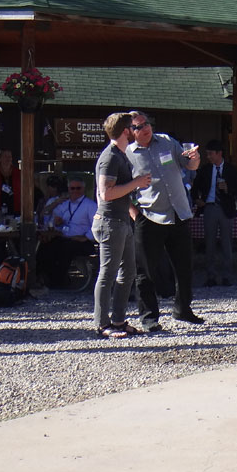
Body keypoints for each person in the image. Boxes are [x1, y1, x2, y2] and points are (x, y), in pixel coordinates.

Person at [125, 110, 203, 330]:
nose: (145, 128)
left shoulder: (167, 141)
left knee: (184, 267)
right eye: (139, 127)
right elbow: (121, 190)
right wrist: (135, 214)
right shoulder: (127, 154)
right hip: (149, 216)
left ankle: (183, 309)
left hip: (178, 213)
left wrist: (195, 159)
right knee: (146, 271)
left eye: (146, 123)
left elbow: (189, 166)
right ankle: (149, 317)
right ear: (130, 132)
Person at [94, 112, 151, 339]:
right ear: (126, 131)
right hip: (110, 222)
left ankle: (118, 320)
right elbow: (106, 193)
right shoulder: (110, 157)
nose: (136, 131)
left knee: (128, 272)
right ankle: (102, 324)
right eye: (133, 127)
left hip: (122, 221)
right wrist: (136, 183)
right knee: (107, 274)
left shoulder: (120, 155)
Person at [192, 139, 237, 287]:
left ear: (219, 153)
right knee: (210, 243)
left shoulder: (231, 170)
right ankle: (211, 276)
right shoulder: (205, 170)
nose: (208, 157)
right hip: (210, 207)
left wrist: (228, 189)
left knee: (227, 243)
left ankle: (227, 276)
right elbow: (194, 188)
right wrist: (197, 200)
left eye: (210, 154)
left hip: (226, 208)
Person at [36, 177, 97, 288]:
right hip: (65, 237)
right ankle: (44, 278)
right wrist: (57, 222)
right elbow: (46, 215)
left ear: (83, 189)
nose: (75, 191)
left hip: (82, 242)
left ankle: (59, 281)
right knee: (45, 247)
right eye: (72, 188)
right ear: (68, 189)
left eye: (78, 188)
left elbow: (97, 225)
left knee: (64, 249)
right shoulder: (64, 204)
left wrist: (86, 237)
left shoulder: (90, 205)